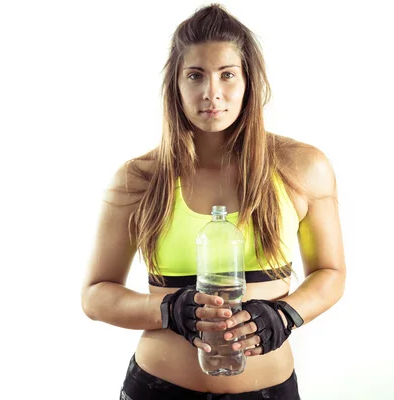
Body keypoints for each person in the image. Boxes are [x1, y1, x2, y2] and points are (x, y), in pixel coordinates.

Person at [81, 3, 346, 399]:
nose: (212, 94)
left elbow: (330, 272)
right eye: (195, 76)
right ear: (176, 85)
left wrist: (285, 314)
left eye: (227, 75)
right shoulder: (139, 179)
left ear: (249, 82)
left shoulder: (302, 168)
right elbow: (95, 294)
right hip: (157, 388)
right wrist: (168, 311)